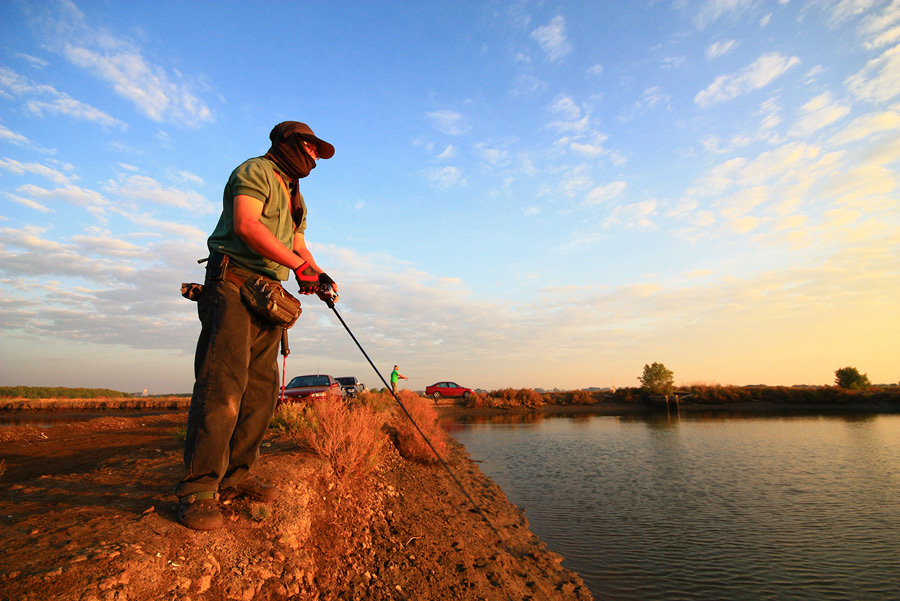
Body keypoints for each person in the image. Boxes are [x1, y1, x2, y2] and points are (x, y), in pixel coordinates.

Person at [175, 121, 338, 531]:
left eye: (319, 151)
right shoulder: (255, 171)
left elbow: (299, 248)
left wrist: (320, 275)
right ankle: (198, 490)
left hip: (269, 296)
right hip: (232, 284)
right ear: (288, 142)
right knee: (221, 388)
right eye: (311, 147)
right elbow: (248, 225)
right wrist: (299, 266)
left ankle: (238, 476)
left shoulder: (295, 195)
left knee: (261, 393)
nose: (315, 156)